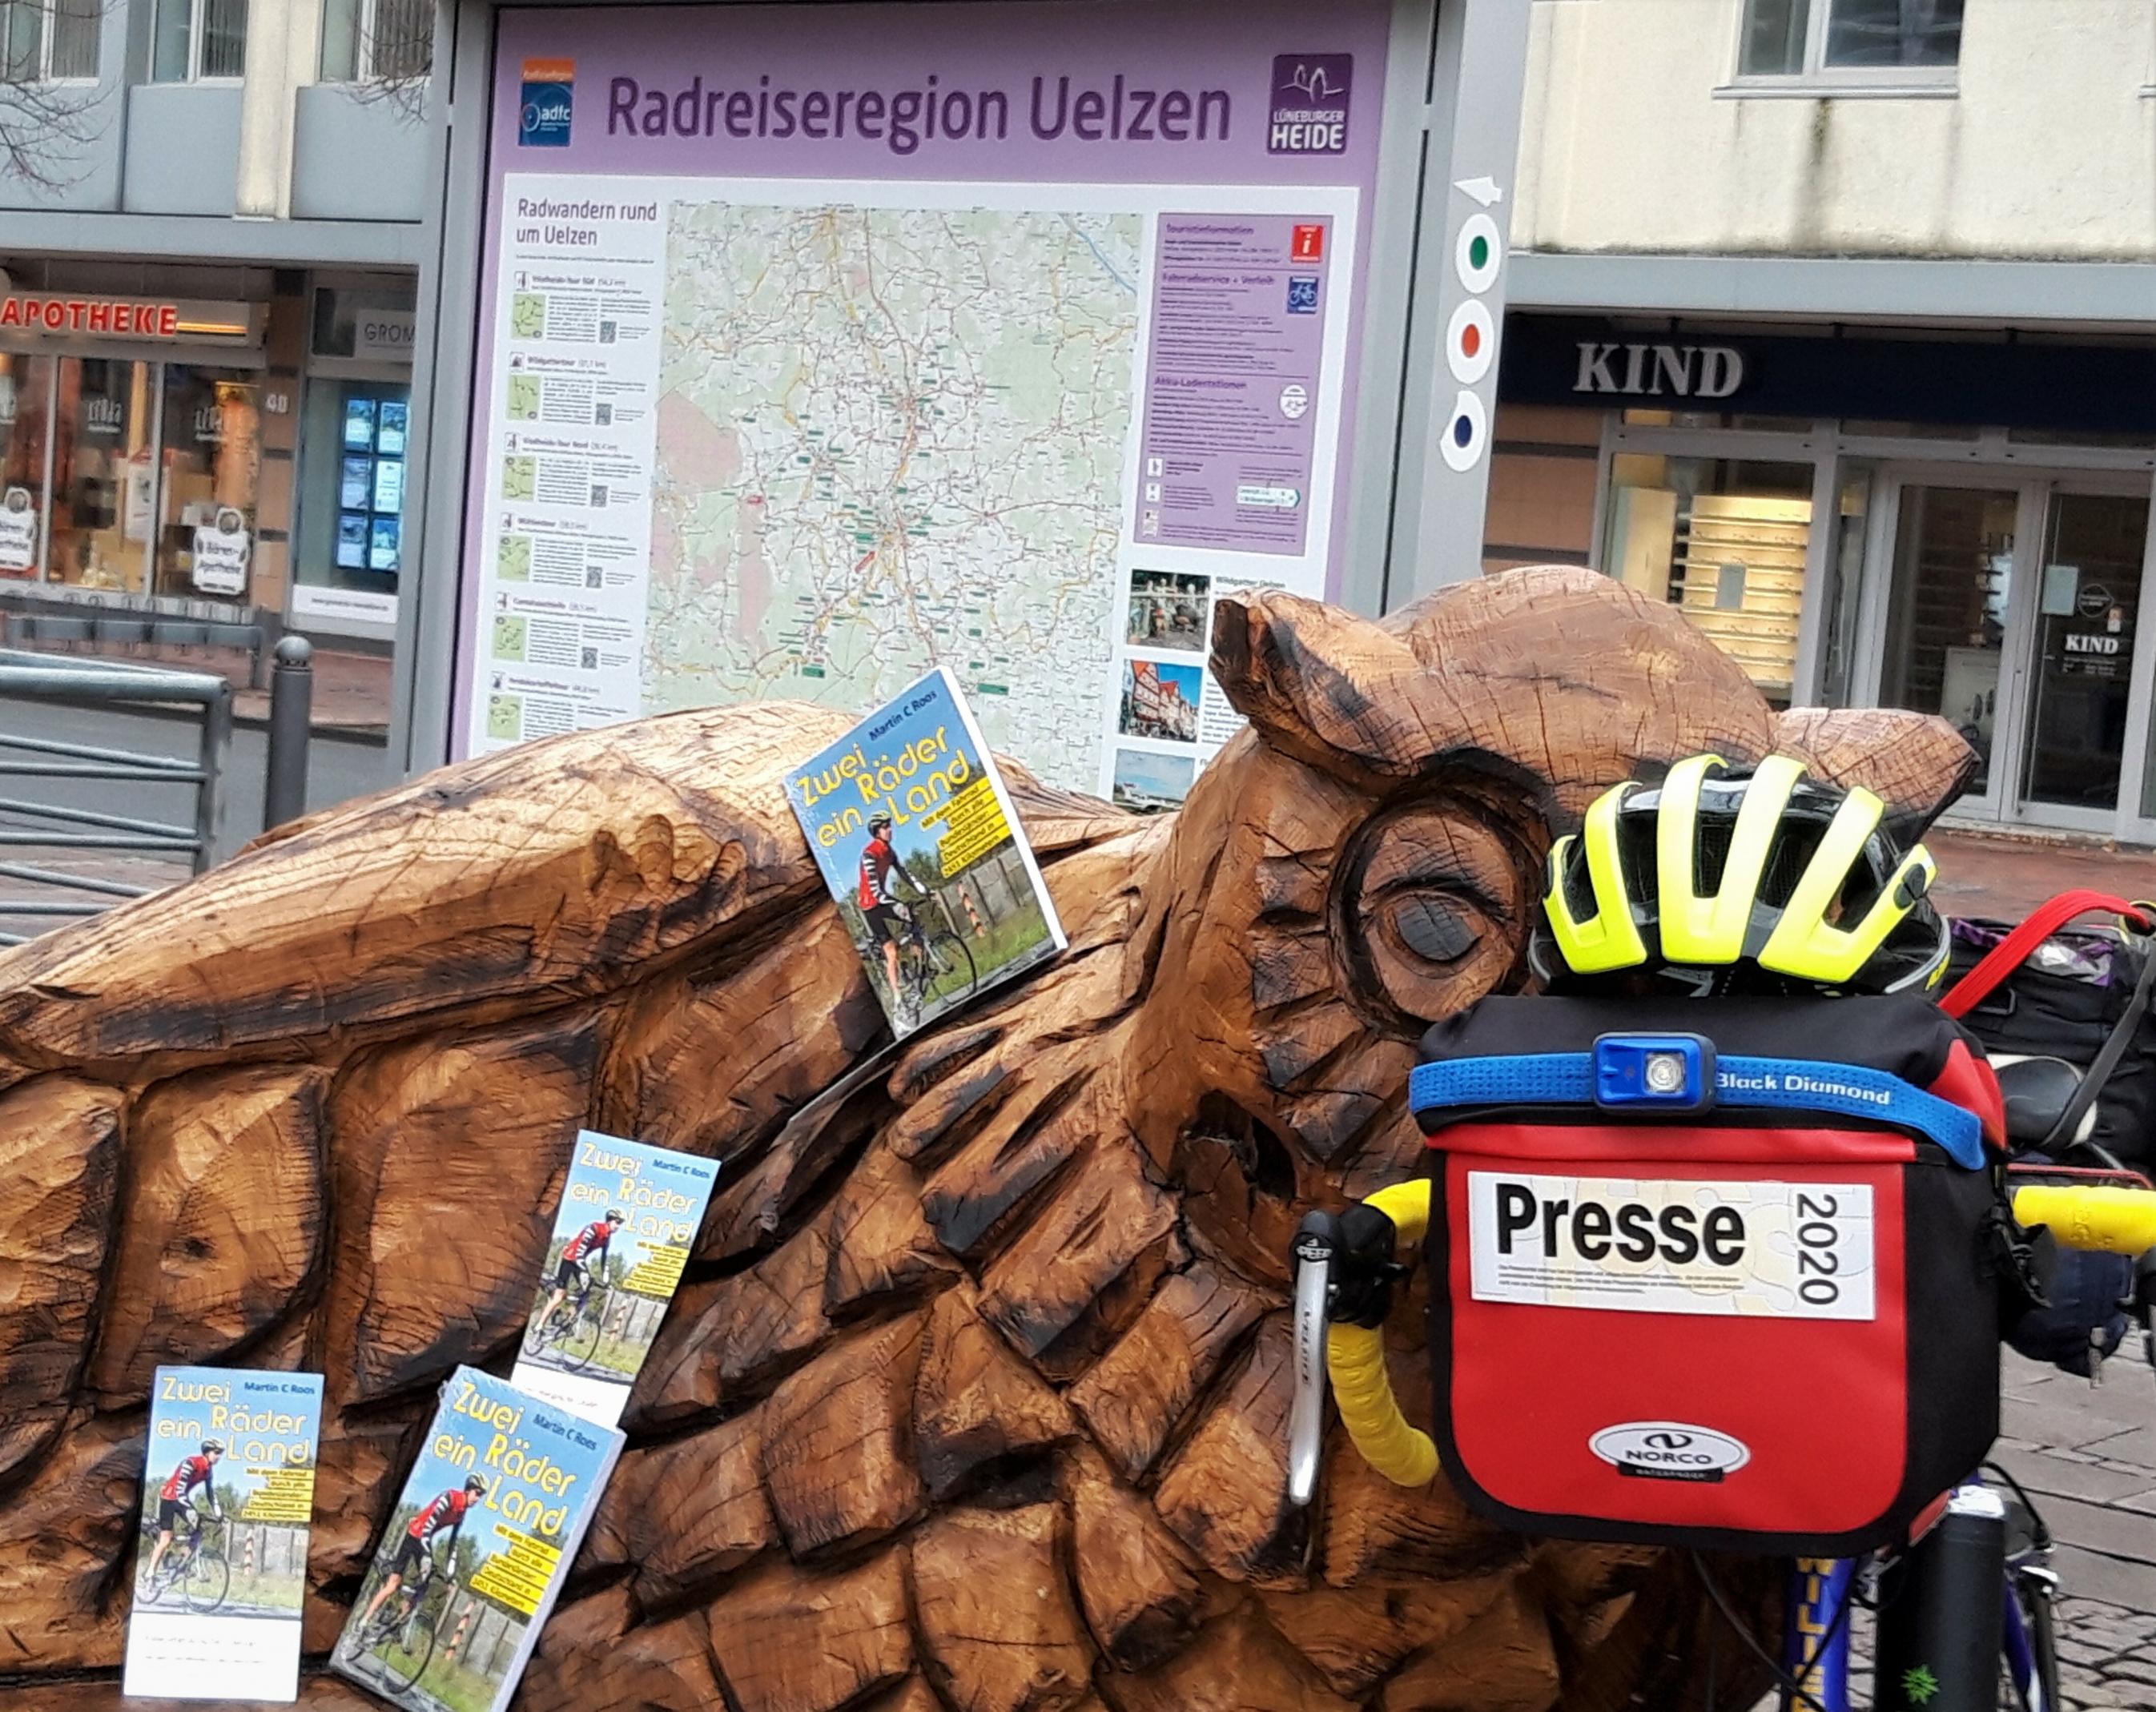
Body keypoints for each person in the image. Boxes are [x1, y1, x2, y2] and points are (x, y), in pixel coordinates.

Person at [356, 1474, 488, 1635]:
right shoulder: (450, 1497)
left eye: (481, 1495)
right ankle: (364, 1621)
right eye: (477, 1492)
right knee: (393, 1585)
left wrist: (451, 1573)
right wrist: (426, 1553)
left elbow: (453, 1544)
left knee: (423, 1586)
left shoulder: (461, 1515)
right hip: (414, 1535)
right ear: (468, 1490)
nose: (478, 1498)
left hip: (424, 1542)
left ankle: (396, 1623)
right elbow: (428, 1525)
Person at [144, 1439, 224, 1585]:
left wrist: (219, 1513)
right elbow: (180, 1489)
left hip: (181, 1500)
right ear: (207, 1452)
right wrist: (189, 1509)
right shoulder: (191, 1463)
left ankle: (180, 1563)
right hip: (169, 1498)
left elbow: (210, 1494)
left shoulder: (208, 1471)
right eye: (217, 1453)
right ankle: (150, 1572)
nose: (219, 1456)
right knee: (166, 1539)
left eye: (221, 1453)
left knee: (198, 1531)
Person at [856, 812, 917, 999]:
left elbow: (905, 875)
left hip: (883, 900)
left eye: (889, 826)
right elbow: (875, 891)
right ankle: (898, 998)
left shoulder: (889, 853)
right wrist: (896, 904)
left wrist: (925, 891)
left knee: (914, 919)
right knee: (891, 952)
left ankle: (920, 966)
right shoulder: (869, 854)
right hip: (871, 906)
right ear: (876, 831)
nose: (890, 830)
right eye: (885, 827)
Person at [536, 1208, 625, 1334]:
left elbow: (603, 1259)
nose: (618, 1226)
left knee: (586, 1291)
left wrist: (606, 1279)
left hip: (579, 1261)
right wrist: (584, 1270)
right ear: (609, 1220)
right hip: (569, 1258)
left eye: (620, 1223)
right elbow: (579, 1252)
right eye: (617, 1222)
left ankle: (568, 1321)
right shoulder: (594, 1228)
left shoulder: (607, 1238)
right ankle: (539, 1325)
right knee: (559, 1296)